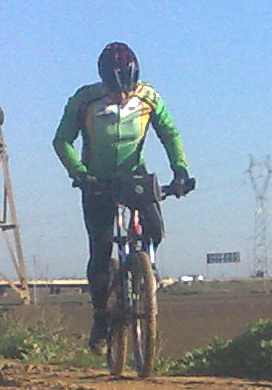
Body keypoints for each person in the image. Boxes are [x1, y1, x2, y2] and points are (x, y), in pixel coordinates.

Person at [53, 43, 195, 350]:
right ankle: (101, 320)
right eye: (116, 91)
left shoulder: (148, 97)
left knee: (156, 229)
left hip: (134, 175)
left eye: (127, 91)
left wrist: (180, 171)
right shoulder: (84, 100)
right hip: (96, 180)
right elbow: (62, 140)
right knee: (101, 250)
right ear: (102, 82)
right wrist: (79, 173)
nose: (122, 97)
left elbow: (169, 133)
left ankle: (146, 271)